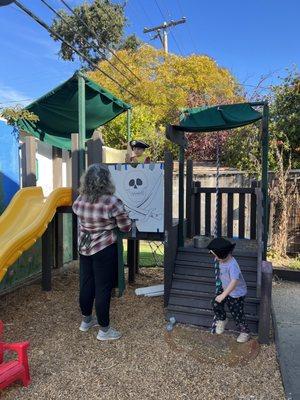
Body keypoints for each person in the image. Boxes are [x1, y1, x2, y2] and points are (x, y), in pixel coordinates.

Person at [72, 164, 132, 341]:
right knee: (103, 288)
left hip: (85, 247)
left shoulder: (80, 199)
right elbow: (125, 226)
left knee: (86, 284)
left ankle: (86, 321)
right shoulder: (112, 201)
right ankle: (104, 330)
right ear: (106, 180)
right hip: (104, 248)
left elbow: (80, 217)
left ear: (87, 179)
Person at [207, 237, 250, 343]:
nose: (216, 258)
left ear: (223, 254)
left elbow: (234, 282)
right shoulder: (222, 260)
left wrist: (223, 295)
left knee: (237, 313)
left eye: (216, 256)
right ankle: (222, 319)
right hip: (226, 288)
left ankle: (245, 332)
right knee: (215, 302)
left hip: (236, 293)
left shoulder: (232, 265)